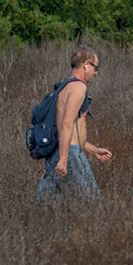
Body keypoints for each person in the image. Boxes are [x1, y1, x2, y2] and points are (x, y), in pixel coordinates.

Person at [36, 47, 112, 202]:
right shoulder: (79, 87)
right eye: (95, 68)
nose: (96, 73)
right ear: (86, 65)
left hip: (57, 152)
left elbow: (70, 131)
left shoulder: (64, 88)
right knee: (92, 202)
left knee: (47, 204)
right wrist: (64, 160)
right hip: (69, 154)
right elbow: (66, 124)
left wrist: (94, 150)